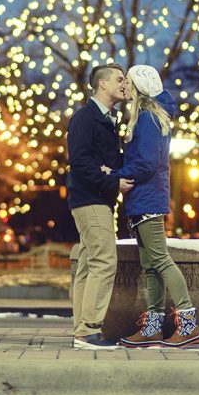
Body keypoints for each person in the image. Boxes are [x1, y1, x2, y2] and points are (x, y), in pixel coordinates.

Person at [108, 65, 199, 348]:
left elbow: (148, 162)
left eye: (130, 84)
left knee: (160, 260)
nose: (126, 88)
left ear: (139, 89)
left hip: (148, 198)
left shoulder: (148, 118)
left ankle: (188, 325)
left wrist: (115, 175)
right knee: (150, 266)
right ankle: (153, 326)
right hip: (144, 200)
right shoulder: (148, 117)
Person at [66, 63, 133, 349]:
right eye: (119, 79)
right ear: (101, 84)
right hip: (90, 199)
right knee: (105, 261)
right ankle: (89, 331)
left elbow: (104, 161)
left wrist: (113, 171)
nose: (124, 85)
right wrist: (111, 182)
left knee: (86, 265)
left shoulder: (109, 119)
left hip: (96, 199)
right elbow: (79, 162)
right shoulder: (85, 117)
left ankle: (82, 328)